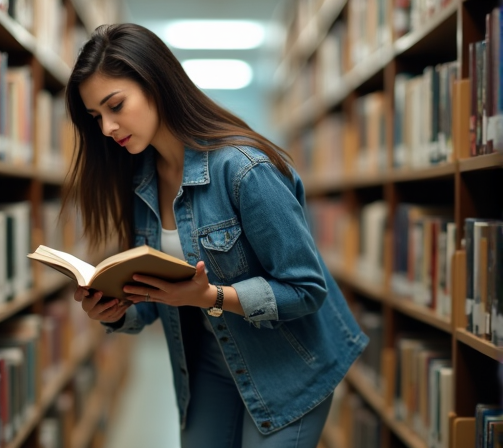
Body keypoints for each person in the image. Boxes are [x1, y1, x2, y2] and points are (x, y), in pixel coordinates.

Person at [64, 23, 368, 448]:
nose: (107, 128)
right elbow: (156, 299)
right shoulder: (139, 180)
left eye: (115, 105)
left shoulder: (244, 169)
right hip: (207, 363)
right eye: (96, 117)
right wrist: (113, 311)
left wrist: (212, 298)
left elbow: (305, 289)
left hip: (287, 364)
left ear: (156, 83)